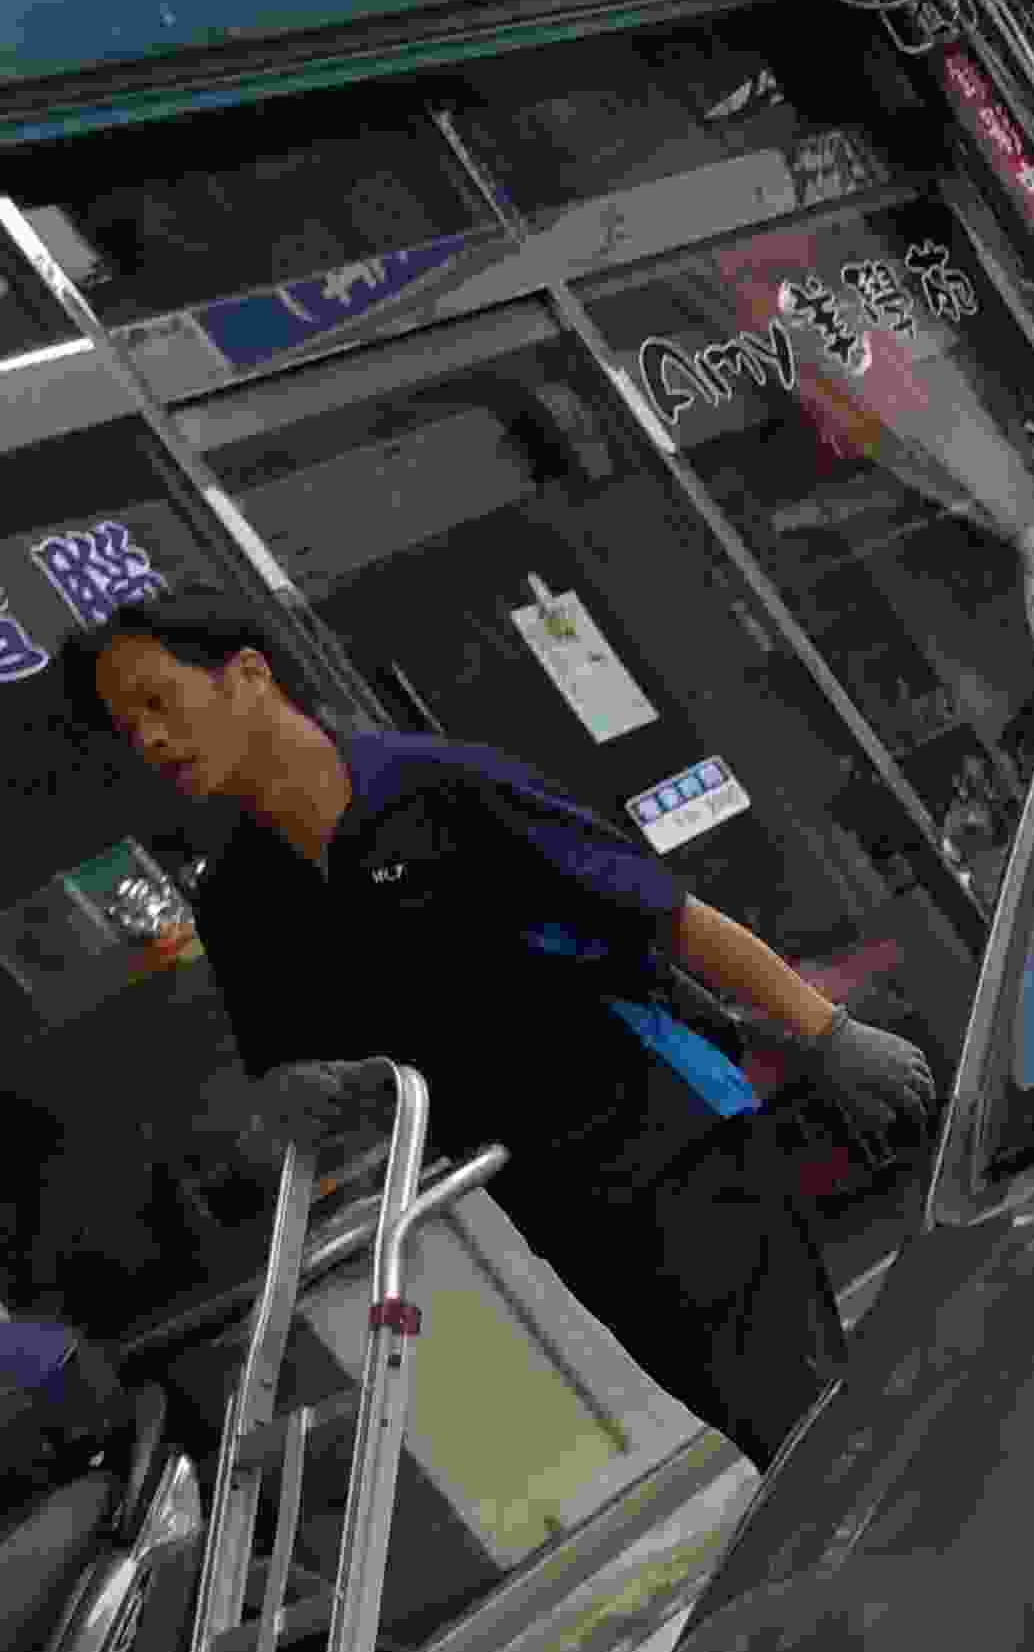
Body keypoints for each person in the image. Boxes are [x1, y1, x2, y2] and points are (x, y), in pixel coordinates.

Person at [65, 594, 939, 1468]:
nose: (150, 741)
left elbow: (671, 917)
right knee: (766, 1430)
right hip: (548, 1197)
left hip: (671, 1130)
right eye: (127, 728)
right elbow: (283, 1083)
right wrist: (301, 1098)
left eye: (158, 702)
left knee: (800, 1415)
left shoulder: (441, 788)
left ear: (249, 675)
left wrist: (831, 1035)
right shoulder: (241, 907)